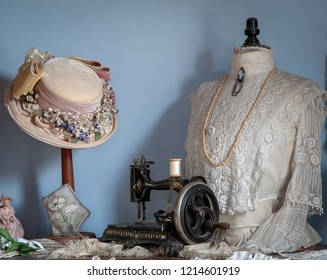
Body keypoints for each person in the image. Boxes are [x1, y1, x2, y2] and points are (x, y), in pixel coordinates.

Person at [184, 45, 327, 253]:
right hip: (202, 242)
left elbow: (301, 188)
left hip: (271, 242)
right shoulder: (205, 92)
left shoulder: (301, 93)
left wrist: (264, 244)